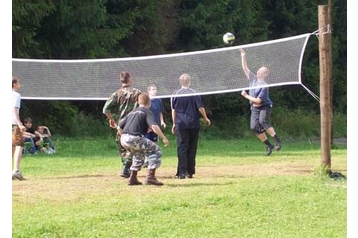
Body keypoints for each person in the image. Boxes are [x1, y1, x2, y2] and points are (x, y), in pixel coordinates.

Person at [118, 92, 170, 186]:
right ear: (149, 103)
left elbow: (119, 127)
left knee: (138, 154)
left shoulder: (132, 112)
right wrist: (164, 138)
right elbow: (154, 126)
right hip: (134, 138)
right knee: (156, 150)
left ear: (138, 102)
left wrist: (125, 137)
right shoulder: (147, 111)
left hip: (123, 138)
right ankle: (151, 177)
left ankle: (132, 178)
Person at [239, 49, 281, 156]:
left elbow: (258, 100)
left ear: (265, 74)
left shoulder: (264, 86)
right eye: (258, 70)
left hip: (264, 106)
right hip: (254, 108)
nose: (258, 72)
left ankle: (277, 140)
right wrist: (243, 55)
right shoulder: (253, 79)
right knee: (254, 127)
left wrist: (246, 96)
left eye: (260, 71)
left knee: (263, 121)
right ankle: (268, 145)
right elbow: (245, 68)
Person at [171, 73, 211, 179]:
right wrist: (206, 118)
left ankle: (182, 172)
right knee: (192, 148)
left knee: (182, 147)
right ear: (189, 82)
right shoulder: (194, 93)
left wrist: (174, 123)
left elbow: (173, 110)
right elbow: (200, 107)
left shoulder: (175, 93)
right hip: (193, 123)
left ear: (180, 82)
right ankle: (190, 171)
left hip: (181, 124)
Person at [102, 71, 141, 178]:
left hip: (121, 124)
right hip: (134, 123)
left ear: (121, 80)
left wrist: (112, 120)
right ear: (130, 79)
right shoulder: (137, 93)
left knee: (122, 145)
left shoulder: (116, 94)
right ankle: (127, 167)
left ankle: (126, 166)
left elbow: (105, 110)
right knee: (132, 145)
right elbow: (145, 105)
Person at [143, 84, 166, 168]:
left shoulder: (159, 100)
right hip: (147, 126)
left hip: (156, 126)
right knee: (146, 142)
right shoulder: (146, 101)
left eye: (155, 89)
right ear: (148, 91)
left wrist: (162, 121)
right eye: (152, 89)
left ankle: (152, 160)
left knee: (154, 143)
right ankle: (145, 160)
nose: (154, 91)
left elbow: (160, 112)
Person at [12, 76, 26, 181]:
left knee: (11, 147)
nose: (19, 84)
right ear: (14, 84)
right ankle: (16, 171)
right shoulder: (16, 95)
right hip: (13, 123)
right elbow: (15, 110)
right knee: (19, 146)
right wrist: (19, 124)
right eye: (18, 82)